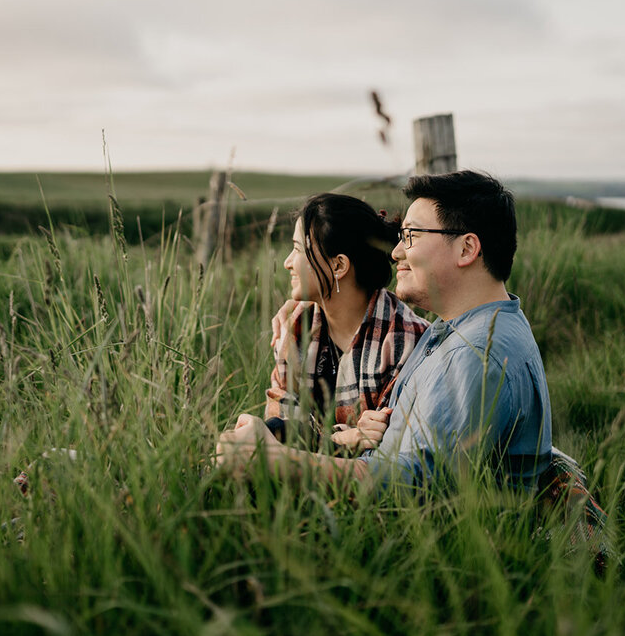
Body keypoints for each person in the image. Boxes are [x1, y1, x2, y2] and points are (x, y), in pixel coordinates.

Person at [217, 170, 553, 494]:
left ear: (466, 249)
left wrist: (278, 460)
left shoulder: (474, 355)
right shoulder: (458, 331)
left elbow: (415, 486)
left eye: (411, 236)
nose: (396, 252)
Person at [264, 193, 429, 452]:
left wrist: (303, 435)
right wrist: (342, 438)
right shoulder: (295, 327)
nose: (287, 263)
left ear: (339, 265)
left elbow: (385, 445)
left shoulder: (403, 341)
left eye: (297, 250)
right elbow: (276, 428)